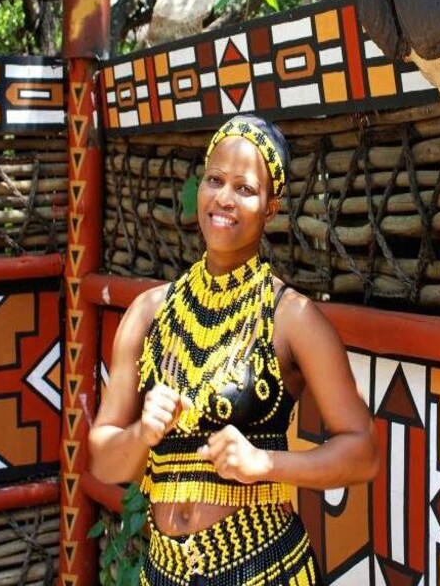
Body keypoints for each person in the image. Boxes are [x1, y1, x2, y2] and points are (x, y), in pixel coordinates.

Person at [89, 114, 379, 585]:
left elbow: (363, 452)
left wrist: (266, 463)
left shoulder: (293, 318)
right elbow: (103, 459)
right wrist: (143, 432)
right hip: (162, 571)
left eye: (244, 189)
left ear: (271, 207)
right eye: (214, 180)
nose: (224, 198)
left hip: (264, 567)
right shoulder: (147, 314)